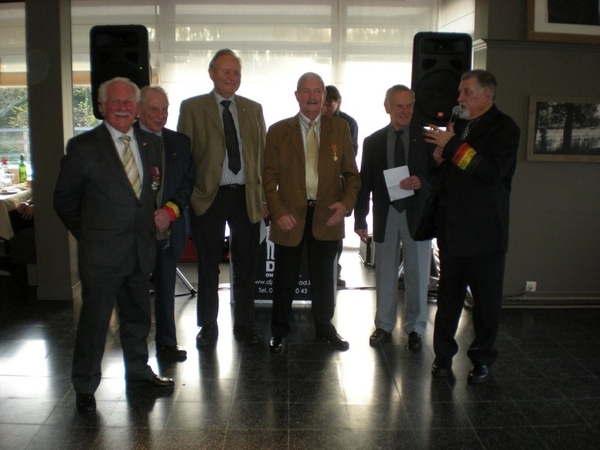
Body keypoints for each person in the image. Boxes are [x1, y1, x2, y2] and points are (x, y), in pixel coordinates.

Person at [53, 77, 175, 415]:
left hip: (139, 252)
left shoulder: (148, 145)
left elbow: (147, 196)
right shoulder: (82, 148)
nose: (122, 107)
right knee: (94, 325)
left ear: (137, 108)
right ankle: (85, 385)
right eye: (115, 101)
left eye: (129, 102)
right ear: (102, 106)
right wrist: (91, 235)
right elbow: (64, 201)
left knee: (137, 319)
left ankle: (138, 373)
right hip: (101, 256)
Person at [423, 69, 520, 384]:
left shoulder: (505, 129)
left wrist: (450, 147)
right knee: (447, 302)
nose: (459, 97)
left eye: (466, 92)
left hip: (485, 235)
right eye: (460, 91)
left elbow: (489, 172)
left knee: (486, 305)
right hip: (452, 232)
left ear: (486, 95)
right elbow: (447, 174)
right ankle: (442, 358)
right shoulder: (460, 126)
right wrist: (438, 159)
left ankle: (482, 360)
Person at [263, 72, 361, 353]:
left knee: (324, 279)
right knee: (284, 278)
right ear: (297, 95)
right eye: (306, 91)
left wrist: (345, 204)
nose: (312, 96)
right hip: (289, 216)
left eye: (317, 91)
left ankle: (325, 328)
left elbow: (352, 175)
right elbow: (268, 178)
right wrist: (278, 211)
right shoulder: (278, 131)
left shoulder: (339, 128)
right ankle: (279, 331)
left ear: (324, 96)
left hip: (326, 216)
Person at [177, 49, 267, 347]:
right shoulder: (192, 108)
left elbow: (263, 157)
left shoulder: (253, 109)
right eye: (226, 72)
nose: (231, 77)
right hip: (208, 197)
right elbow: (183, 158)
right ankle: (208, 325)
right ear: (212, 73)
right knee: (208, 265)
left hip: (246, 197)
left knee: (246, 265)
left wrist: (265, 198)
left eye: (236, 73)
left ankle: (244, 323)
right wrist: (189, 195)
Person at [354, 85, 435, 350]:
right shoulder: (373, 141)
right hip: (386, 214)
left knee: (418, 274)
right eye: (399, 106)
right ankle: (384, 326)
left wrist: (421, 181)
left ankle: (415, 329)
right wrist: (360, 219)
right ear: (387, 107)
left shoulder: (427, 139)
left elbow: (439, 178)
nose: (405, 111)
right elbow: (364, 182)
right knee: (385, 274)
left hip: (417, 216)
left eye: (409, 105)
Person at [136, 86, 195, 361]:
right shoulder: (127, 140)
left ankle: (167, 343)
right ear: (139, 109)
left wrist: (168, 212)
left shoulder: (180, 142)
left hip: (168, 230)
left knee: (165, 288)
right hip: (134, 233)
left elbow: (187, 183)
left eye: (165, 109)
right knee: (134, 295)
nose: (161, 115)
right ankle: (135, 353)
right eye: (154, 109)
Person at [322, 85, 359, 288]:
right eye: (324, 103)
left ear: (338, 103)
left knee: (335, 232)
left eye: (330, 104)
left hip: (339, 185)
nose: (325, 108)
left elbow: (349, 154)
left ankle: (334, 272)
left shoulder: (347, 123)